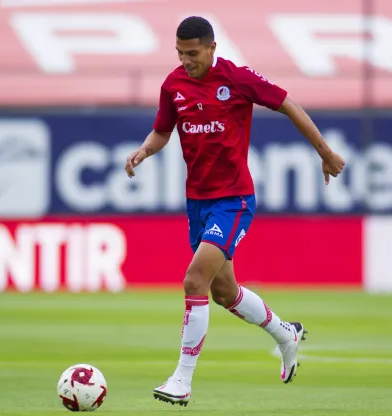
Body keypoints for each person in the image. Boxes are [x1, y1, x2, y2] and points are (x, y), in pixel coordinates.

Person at [124, 16, 346, 407]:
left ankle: (182, 380)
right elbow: (163, 130)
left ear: (212, 48)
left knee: (195, 281)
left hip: (234, 199)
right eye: (179, 53)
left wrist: (325, 153)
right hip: (197, 202)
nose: (185, 60)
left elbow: (288, 104)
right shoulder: (173, 86)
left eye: (192, 53)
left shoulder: (239, 79)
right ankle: (285, 334)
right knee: (224, 292)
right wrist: (144, 150)